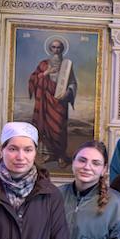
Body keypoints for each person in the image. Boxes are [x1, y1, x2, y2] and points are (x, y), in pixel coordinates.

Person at [27, 37, 77, 167]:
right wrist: (45, 73)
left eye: (58, 47)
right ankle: (50, 154)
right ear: (50, 49)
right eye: (53, 47)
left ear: (62, 49)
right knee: (46, 127)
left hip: (60, 102)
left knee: (59, 128)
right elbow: (33, 79)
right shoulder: (44, 64)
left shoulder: (66, 65)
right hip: (46, 100)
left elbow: (72, 83)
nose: (56, 50)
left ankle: (60, 155)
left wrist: (68, 93)